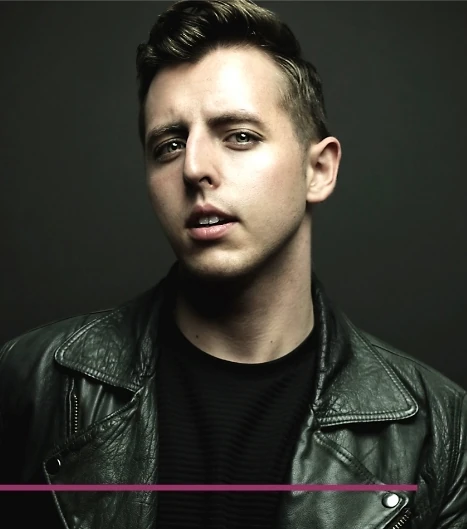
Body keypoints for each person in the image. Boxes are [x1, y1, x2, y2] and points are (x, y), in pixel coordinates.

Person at [0, 0, 466, 527]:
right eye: (169, 145)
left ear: (319, 170)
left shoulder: (442, 432)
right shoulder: (30, 383)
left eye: (240, 136)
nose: (194, 167)